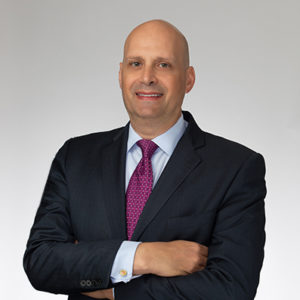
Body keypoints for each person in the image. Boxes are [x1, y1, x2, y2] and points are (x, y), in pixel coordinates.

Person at [23, 20, 266, 300]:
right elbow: (41, 262)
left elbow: (231, 289)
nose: (147, 77)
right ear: (120, 74)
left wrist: (112, 289)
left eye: (163, 65)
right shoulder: (76, 156)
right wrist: (144, 256)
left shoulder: (236, 166)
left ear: (188, 79)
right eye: (135, 63)